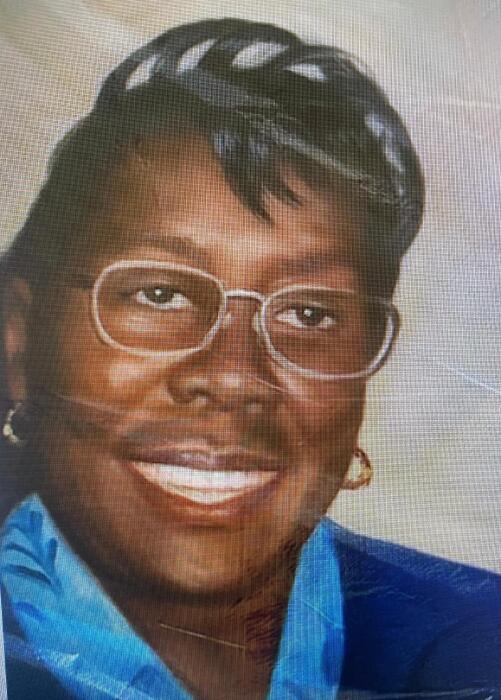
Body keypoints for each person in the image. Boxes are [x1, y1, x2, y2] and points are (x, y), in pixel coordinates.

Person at [0, 17, 500, 700]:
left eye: (309, 314)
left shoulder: (478, 641)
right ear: (19, 337)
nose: (234, 375)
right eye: (160, 294)